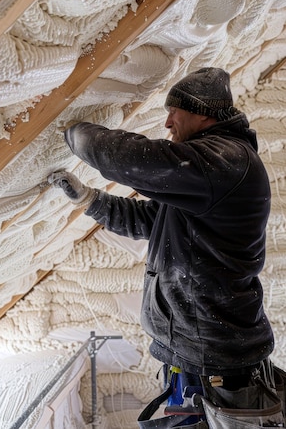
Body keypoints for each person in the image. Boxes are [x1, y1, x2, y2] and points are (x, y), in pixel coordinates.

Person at [48, 67, 274, 393]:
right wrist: (87, 198)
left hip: (213, 358)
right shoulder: (208, 173)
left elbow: (132, 158)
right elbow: (150, 221)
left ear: (202, 115)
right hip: (198, 350)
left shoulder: (227, 160)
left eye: (173, 112)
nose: (168, 123)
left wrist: (71, 132)